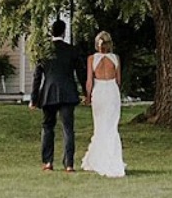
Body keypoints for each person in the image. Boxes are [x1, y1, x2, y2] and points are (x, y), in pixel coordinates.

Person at [28, 19, 83, 172]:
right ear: (64, 32)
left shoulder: (44, 51)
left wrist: (33, 98)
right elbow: (80, 72)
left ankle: (48, 162)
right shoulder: (71, 50)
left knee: (47, 127)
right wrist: (86, 92)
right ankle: (69, 164)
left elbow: (37, 77)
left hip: (48, 93)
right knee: (68, 129)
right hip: (68, 92)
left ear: (51, 32)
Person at [80, 31, 126, 178]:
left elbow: (89, 81)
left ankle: (100, 159)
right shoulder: (115, 58)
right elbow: (118, 80)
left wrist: (87, 96)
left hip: (99, 91)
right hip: (111, 90)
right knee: (110, 126)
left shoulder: (92, 59)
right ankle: (110, 159)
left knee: (102, 126)